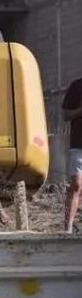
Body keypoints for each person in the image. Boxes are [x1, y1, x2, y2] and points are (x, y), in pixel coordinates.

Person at [62, 76, 82, 232]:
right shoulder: (77, 86)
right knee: (76, 185)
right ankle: (68, 227)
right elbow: (65, 115)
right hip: (78, 144)